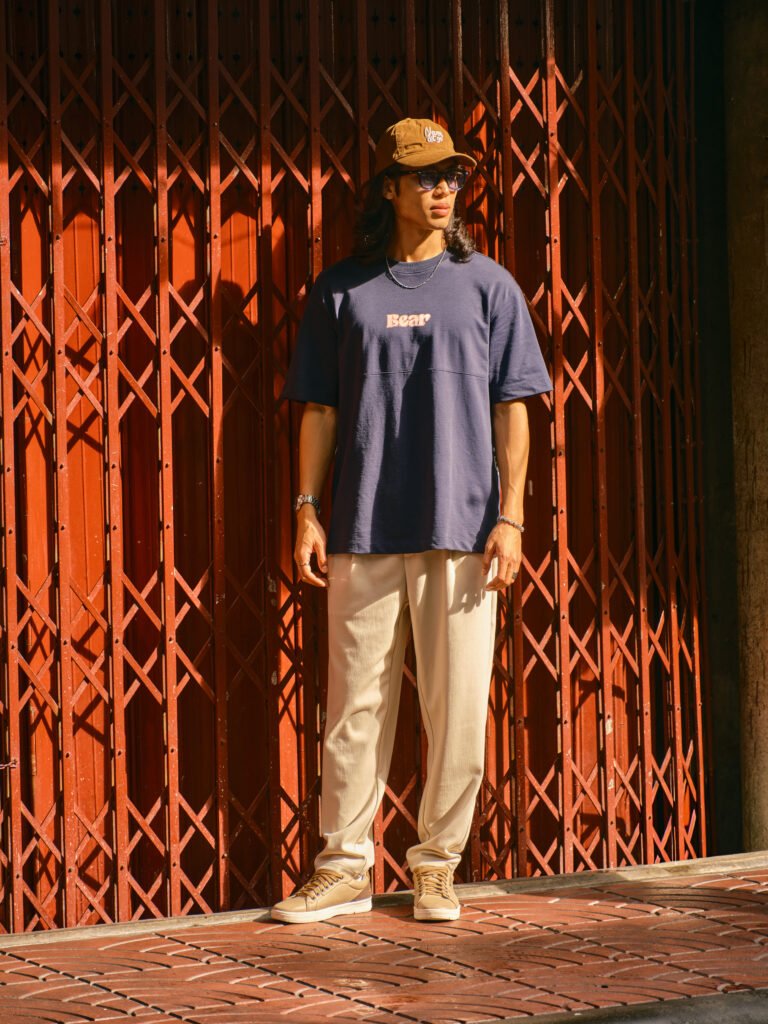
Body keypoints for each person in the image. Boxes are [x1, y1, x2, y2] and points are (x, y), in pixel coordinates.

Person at [272, 117, 551, 924]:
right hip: (361, 527)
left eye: (452, 177)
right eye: (425, 177)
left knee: (457, 710)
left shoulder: (490, 287)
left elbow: (514, 408)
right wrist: (307, 510)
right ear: (389, 188)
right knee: (354, 709)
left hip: (461, 530)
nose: (442, 191)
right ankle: (343, 869)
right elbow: (319, 409)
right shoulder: (341, 290)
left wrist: (511, 518)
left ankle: (436, 865)